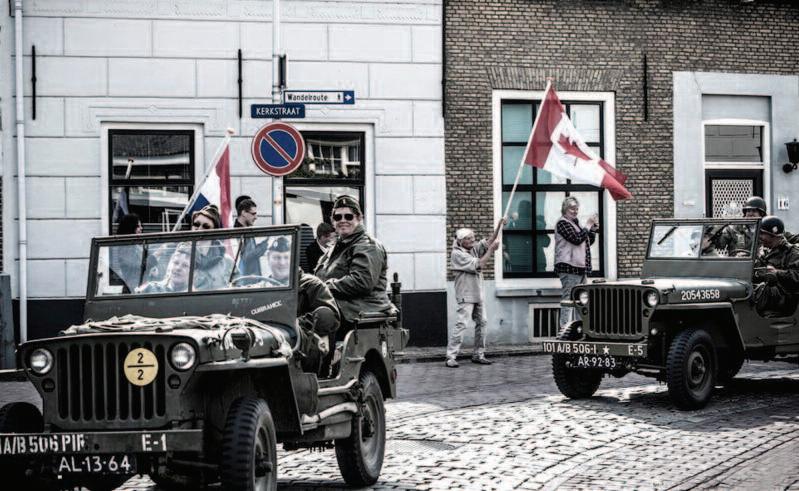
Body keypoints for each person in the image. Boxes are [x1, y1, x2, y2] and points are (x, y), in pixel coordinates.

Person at [314, 195, 394, 331]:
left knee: (310, 322)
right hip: (341, 309)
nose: (343, 220)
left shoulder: (367, 245)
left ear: (359, 218)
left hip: (359, 312)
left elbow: (362, 281)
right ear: (333, 221)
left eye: (348, 216)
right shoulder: (335, 248)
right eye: (338, 217)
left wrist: (324, 288)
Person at [445, 223, 502, 368]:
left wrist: (500, 224)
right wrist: (491, 250)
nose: (473, 240)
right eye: (469, 238)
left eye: (473, 237)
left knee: (482, 323)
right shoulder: (457, 254)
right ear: (461, 241)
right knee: (462, 324)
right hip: (465, 294)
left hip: (478, 293)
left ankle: (478, 354)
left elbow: (489, 241)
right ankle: (451, 356)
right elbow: (479, 264)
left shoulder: (472, 249)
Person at [555, 196, 598, 329]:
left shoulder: (575, 224)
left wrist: (592, 230)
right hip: (569, 267)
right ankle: (564, 331)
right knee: (568, 299)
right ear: (565, 209)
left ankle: (581, 329)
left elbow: (587, 241)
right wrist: (588, 225)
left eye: (577, 209)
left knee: (582, 300)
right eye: (572, 208)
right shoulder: (562, 223)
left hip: (580, 268)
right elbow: (576, 239)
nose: (575, 211)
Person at [752, 216, 799, 317]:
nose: (759, 236)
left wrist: (777, 272)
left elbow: (796, 276)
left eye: (762, 233)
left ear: (773, 235)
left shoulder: (792, 253)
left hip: (784, 298)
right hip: (770, 294)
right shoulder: (765, 251)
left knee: (759, 290)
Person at [191, 205, 234, 291]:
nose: (199, 229)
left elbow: (239, 286)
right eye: (196, 224)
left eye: (206, 227)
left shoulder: (227, 262)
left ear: (214, 232)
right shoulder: (180, 258)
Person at [110, 213, 144, 292]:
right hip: (132, 290)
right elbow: (137, 267)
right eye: (138, 226)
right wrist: (156, 255)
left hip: (137, 288)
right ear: (131, 228)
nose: (141, 228)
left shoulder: (135, 246)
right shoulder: (125, 248)